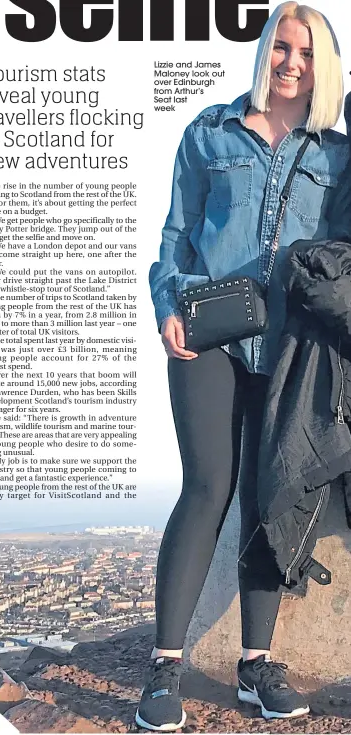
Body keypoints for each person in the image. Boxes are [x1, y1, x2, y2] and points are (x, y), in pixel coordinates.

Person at [137, 3, 348, 731]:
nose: (292, 62)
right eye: (282, 47)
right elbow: (174, 237)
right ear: (265, 52)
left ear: (326, 67)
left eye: (309, 53)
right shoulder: (209, 133)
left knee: (269, 496)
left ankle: (257, 664)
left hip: (295, 348)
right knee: (207, 488)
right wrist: (167, 301)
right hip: (208, 335)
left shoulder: (337, 155)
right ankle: (163, 667)